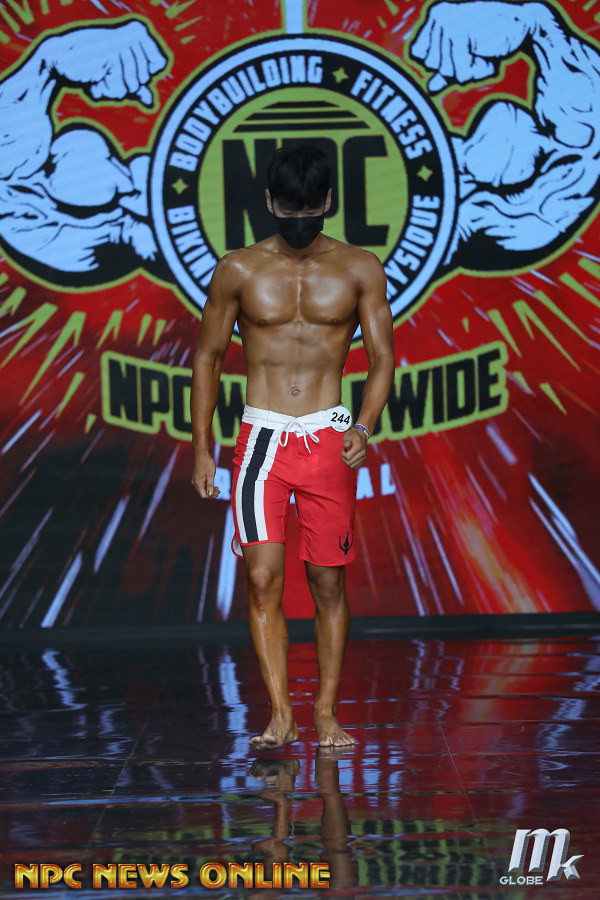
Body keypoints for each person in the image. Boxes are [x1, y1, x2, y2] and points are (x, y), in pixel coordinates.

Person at [191, 145, 394, 749]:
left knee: (328, 583)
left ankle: (326, 713)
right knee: (262, 578)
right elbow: (207, 358)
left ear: (328, 200)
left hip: (329, 437)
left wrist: (363, 426)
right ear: (269, 202)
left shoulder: (359, 267)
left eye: (311, 210)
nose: (301, 221)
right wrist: (201, 449)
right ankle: (281, 714)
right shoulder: (239, 269)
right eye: (290, 210)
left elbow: (383, 358)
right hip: (262, 440)